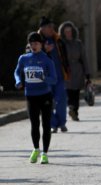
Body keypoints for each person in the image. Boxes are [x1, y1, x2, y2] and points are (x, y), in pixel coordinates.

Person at [14, 32, 57, 164]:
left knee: (46, 124)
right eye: (31, 44)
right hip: (31, 96)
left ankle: (45, 153)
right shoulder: (23, 58)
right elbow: (17, 72)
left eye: (36, 43)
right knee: (34, 124)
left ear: (41, 44)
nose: (34, 46)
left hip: (45, 95)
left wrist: (45, 78)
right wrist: (18, 81)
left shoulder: (47, 60)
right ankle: (36, 149)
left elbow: (54, 79)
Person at [38, 16, 70, 133]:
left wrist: (67, 71)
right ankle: (53, 124)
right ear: (42, 28)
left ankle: (62, 123)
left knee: (62, 99)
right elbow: (29, 54)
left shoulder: (58, 40)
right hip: (44, 78)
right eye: (49, 27)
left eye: (52, 26)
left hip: (59, 76)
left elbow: (65, 57)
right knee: (46, 102)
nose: (52, 29)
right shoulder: (36, 40)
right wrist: (43, 50)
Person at [59, 21, 91, 121]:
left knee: (76, 92)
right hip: (66, 70)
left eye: (70, 31)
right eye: (66, 31)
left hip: (77, 71)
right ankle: (71, 107)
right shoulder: (60, 44)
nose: (68, 33)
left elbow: (84, 58)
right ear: (63, 32)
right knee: (68, 91)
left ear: (73, 31)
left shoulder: (78, 43)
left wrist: (87, 73)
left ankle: (75, 112)